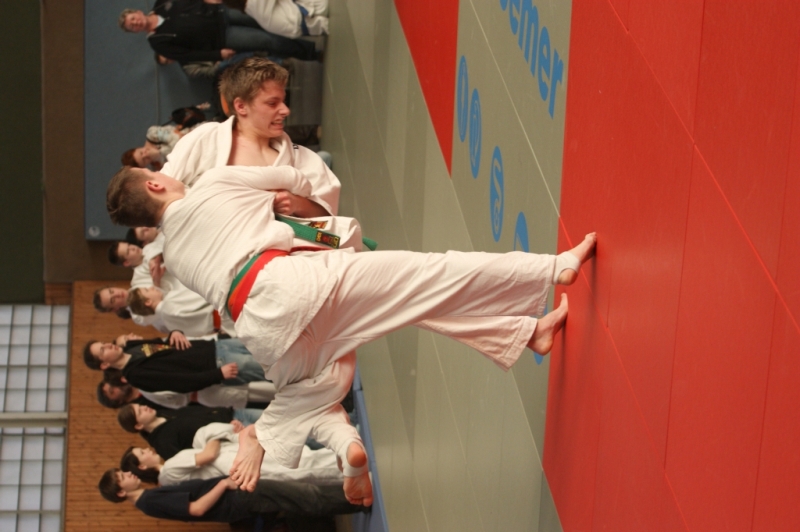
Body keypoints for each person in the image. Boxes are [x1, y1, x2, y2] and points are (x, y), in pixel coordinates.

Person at [106, 155, 597, 506]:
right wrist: (287, 201)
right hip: (296, 283)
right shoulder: (212, 183)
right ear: (154, 185)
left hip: (264, 328)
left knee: (331, 380)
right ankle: (553, 268)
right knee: (429, 277)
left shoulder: (174, 257)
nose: (166, 172)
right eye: (157, 171)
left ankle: (521, 335)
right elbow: (294, 176)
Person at [121, 422, 343, 486]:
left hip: (234, 466)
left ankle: (347, 467)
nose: (148, 450)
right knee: (303, 465)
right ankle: (349, 466)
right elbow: (208, 455)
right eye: (142, 453)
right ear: (142, 466)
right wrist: (215, 435)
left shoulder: (168, 477)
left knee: (302, 467)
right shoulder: (169, 468)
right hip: (233, 464)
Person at [98, 470, 365, 522]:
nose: (128, 473)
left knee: (303, 495)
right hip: (237, 498)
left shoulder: (149, 497)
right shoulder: (149, 501)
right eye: (122, 477)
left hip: (237, 497)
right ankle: (360, 497)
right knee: (305, 496)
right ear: (121, 492)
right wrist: (224, 485)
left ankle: (358, 497)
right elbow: (196, 509)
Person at [118, 1, 316, 64]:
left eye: (133, 19)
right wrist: (217, 54)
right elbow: (187, 56)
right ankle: (311, 52)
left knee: (269, 17)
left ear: (138, 12)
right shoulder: (157, 42)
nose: (136, 23)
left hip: (223, 11)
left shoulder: (162, 3)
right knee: (266, 41)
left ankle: (311, 24)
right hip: (223, 38)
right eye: (132, 26)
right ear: (135, 32)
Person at [83, 334, 266, 393]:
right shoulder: (135, 375)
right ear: (104, 365)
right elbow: (179, 382)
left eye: (104, 343)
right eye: (103, 350)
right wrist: (217, 374)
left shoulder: (131, 347)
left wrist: (175, 332)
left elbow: (165, 344)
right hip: (216, 364)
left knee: (267, 346)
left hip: (213, 346)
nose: (108, 345)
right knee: (272, 367)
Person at [117, 403, 261, 459]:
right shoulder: (163, 444)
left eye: (140, 406)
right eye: (140, 412)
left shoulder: (164, 412)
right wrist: (227, 429)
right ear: (138, 426)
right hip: (236, 434)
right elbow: (196, 454)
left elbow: (198, 414)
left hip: (234, 414)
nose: (144, 407)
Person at [97, 368, 275, 410]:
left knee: (256, 382)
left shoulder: (141, 382)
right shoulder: (145, 395)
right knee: (259, 393)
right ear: (116, 402)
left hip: (205, 379)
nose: (117, 388)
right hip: (201, 393)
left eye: (113, 386)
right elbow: (178, 388)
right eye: (112, 392)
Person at [223, 0, 329, 39]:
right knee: (326, 7)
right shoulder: (254, 3)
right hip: (304, 20)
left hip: (299, 19)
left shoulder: (249, 8)